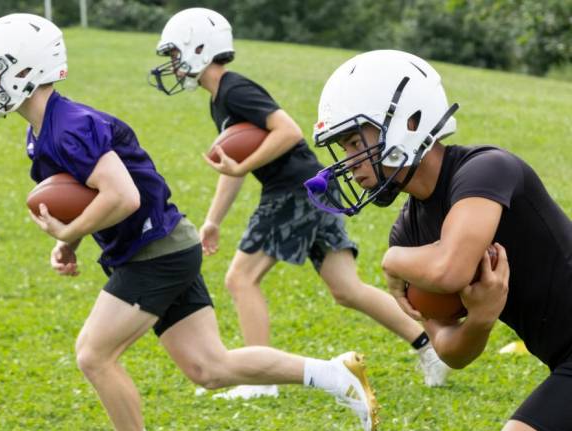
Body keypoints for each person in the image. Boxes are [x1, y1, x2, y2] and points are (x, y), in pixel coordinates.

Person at [0, 13, 380, 431]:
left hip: (156, 251)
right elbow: (90, 196)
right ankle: (335, 374)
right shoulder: (42, 133)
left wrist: (71, 233)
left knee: (94, 355)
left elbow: (122, 197)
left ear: (24, 71)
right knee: (210, 367)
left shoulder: (71, 126)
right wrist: (70, 243)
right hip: (163, 245)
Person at [149, 8, 449, 400]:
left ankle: (261, 381)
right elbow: (235, 167)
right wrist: (213, 220)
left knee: (240, 279)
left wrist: (243, 164)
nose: (173, 64)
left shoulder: (235, 90)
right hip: (312, 188)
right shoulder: (220, 100)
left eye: (175, 53)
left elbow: (287, 132)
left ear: (199, 48)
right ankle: (429, 347)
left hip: (293, 191)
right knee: (346, 288)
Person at [306, 49, 572, 431]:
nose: (349, 162)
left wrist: (392, 260)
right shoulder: (409, 228)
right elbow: (449, 349)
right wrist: (479, 321)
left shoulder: (486, 170)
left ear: (407, 122)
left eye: (353, 143)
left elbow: (450, 269)